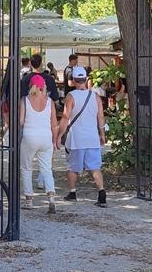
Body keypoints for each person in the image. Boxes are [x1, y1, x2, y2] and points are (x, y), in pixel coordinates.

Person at [56, 66, 107, 207]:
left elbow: (66, 117)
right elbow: (101, 116)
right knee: (95, 167)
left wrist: (60, 135)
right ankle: (101, 192)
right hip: (92, 137)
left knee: (73, 167)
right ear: (86, 79)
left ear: (73, 80)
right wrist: (102, 134)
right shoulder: (95, 96)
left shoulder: (71, 96)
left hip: (76, 138)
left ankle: (72, 192)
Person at [19, 74, 58, 212]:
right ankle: (51, 198)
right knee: (47, 169)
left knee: (26, 167)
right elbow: (54, 124)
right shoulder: (50, 102)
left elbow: (21, 121)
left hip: (29, 136)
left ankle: (29, 199)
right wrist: (55, 140)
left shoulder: (25, 100)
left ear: (31, 85)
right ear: (43, 86)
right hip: (46, 137)